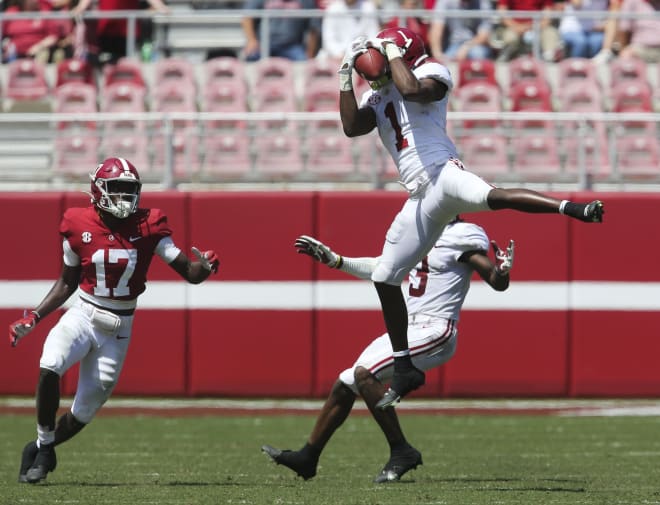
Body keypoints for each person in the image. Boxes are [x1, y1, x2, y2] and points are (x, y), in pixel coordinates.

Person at [337, 27, 604, 409]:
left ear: (405, 53)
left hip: (442, 174)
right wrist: (346, 78)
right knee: (385, 277)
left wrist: (392, 54)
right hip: (418, 195)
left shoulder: (433, 71)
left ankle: (570, 208)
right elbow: (350, 127)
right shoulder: (380, 92)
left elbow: (413, 90)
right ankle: (404, 363)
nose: (374, 78)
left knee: (491, 195)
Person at [9, 157, 220, 484]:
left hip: (119, 328)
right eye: (116, 189)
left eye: (128, 190)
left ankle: (37, 447)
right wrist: (35, 316)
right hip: (83, 313)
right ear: (97, 190)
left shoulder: (149, 225)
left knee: (84, 411)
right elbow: (67, 281)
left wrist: (203, 268)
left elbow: (188, 272)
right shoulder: (77, 223)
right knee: (50, 363)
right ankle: (47, 450)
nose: (123, 198)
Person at [263, 223, 514, 482]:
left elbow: (494, 280)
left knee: (364, 374)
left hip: (436, 329)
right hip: (408, 327)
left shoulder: (460, 234)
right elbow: (381, 268)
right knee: (346, 382)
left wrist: (502, 271)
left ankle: (401, 450)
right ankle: (308, 457)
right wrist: (336, 260)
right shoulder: (420, 230)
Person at [72, 0, 170, 66]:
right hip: (106, 30)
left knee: (126, 65)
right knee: (107, 64)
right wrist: (81, 6)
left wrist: (160, 6)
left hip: (128, 31)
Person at [241, 0, 321, 61]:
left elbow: (314, 28)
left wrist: (310, 53)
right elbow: (247, 17)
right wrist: (252, 40)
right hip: (264, 44)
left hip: (292, 46)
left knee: (304, 62)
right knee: (250, 57)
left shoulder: (307, 1)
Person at [493, 0, 562, 61]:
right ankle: (508, 58)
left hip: (538, 27)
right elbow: (502, 12)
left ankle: (548, 61)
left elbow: (547, 17)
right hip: (514, 27)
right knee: (510, 37)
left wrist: (531, 27)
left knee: (550, 33)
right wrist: (517, 27)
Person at [428, 0, 494, 62]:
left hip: (476, 44)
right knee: (447, 62)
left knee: (478, 54)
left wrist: (466, 47)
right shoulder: (445, 1)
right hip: (454, 44)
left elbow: (484, 35)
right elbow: (436, 29)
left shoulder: (483, 2)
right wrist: (437, 54)